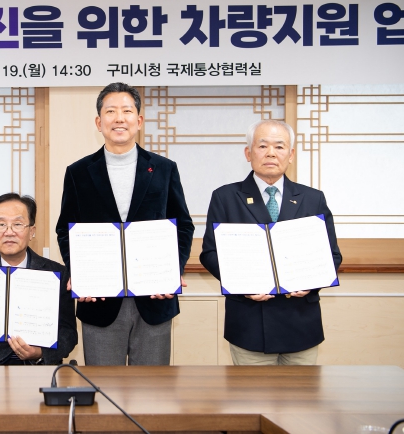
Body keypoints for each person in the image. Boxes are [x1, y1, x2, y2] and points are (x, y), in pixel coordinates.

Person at [55, 82, 194, 366]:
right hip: (100, 300)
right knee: (104, 386)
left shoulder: (164, 169)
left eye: (127, 111)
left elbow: (183, 226)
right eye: (110, 111)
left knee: (152, 388)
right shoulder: (78, 172)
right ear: (99, 122)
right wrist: (79, 273)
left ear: (139, 121)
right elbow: (66, 230)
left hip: (154, 298)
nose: (119, 118)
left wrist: (173, 271)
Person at [200, 119, 343, 365]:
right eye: (262, 145)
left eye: (279, 146)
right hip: (249, 323)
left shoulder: (312, 199)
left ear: (291, 154)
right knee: (253, 391)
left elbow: (332, 255)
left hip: (301, 322)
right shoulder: (225, 197)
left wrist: (312, 282)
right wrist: (242, 285)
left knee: (302, 391)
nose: (271, 153)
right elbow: (210, 253)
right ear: (248, 153)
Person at [0, 193, 77, 365]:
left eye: (17, 224)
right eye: (1, 224)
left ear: (32, 231)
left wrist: (40, 353)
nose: (9, 232)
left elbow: (68, 333)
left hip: (35, 369)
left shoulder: (56, 273)